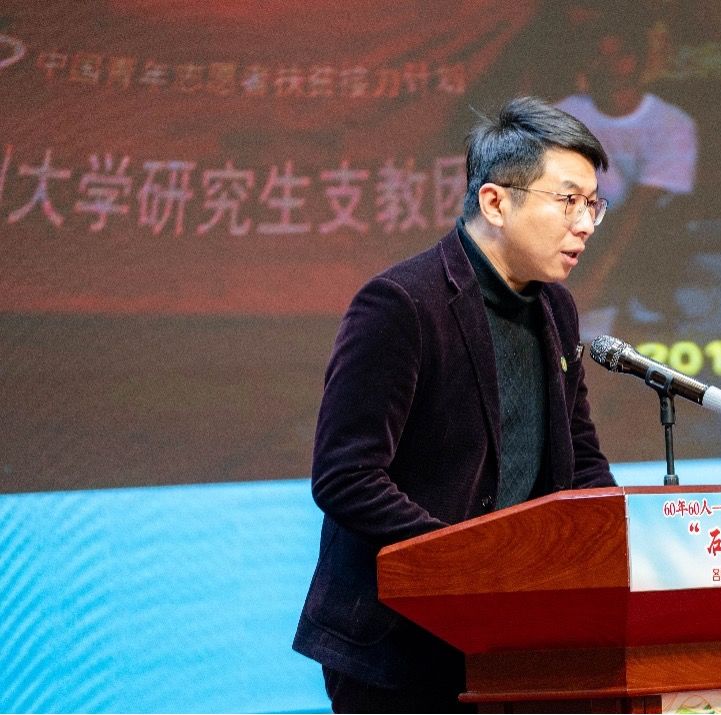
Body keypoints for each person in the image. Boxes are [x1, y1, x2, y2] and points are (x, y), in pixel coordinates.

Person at [292, 96, 616, 713]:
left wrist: (615, 548)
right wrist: (469, 566)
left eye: (593, 205)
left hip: (517, 640)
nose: (585, 224)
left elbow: (580, 460)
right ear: (495, 202)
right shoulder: (401, 304)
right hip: (399, 648)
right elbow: (346, 477)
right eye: (568, 200)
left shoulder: (556, 308)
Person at [555, 22, 699, 336]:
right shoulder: (560, 117)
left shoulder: (673, 125)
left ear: (640, 61)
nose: (611, 67)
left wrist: (595, 281)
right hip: (577, 251)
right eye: (599, 56)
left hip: (641, 257)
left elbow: (640, 210)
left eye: (621, 56)